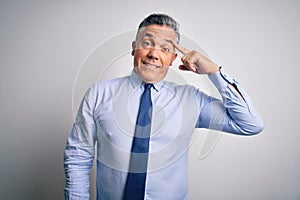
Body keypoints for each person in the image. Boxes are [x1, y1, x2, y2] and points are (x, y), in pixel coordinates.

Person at [64, 13, 264, 200]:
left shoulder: (191, 98)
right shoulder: (99, 93)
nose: (154, 54)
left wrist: (214, 72)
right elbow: (78, 156)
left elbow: (250, 124)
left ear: (173, 58)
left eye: (165, 49)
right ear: (134, 47)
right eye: (147, 43)